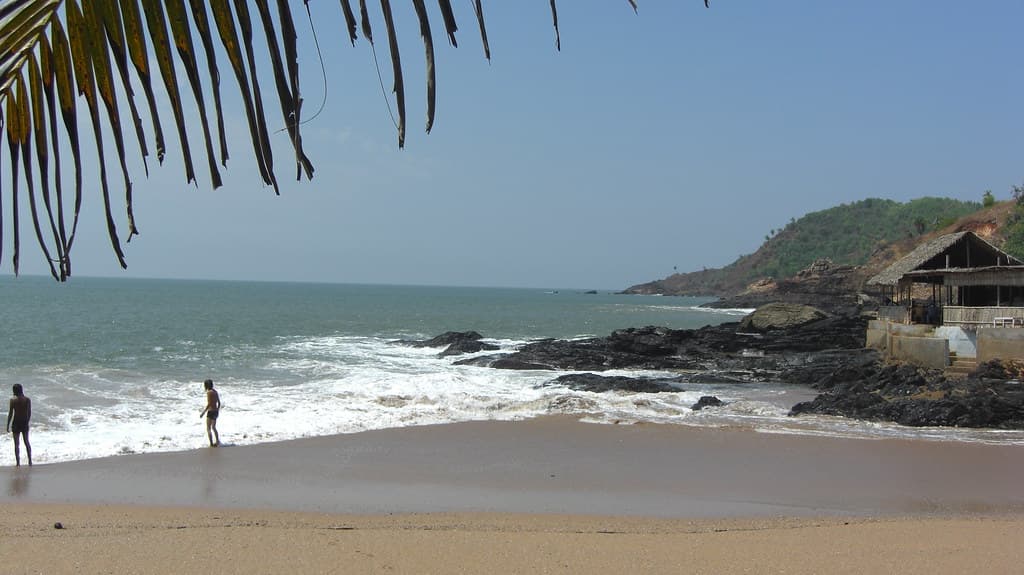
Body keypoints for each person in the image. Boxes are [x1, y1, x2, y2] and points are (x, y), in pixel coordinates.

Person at [6, 384, 32, 466]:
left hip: (16, 423)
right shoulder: (27, 400)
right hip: (24, 422)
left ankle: (18, 463)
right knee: (26, 442)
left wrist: (7, 425)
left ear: (14, 391)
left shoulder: (13, 400)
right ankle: (30, 461)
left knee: (16, 444)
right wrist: (27, 421)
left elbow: (10, 414)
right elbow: (29, 413)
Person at [198, 379, 221, 447]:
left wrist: (203, 412)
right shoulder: (215, 392)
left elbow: (209, 404)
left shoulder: (209, 392)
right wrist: (217, 410)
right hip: (216, 411)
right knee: (214, 427)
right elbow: (219, 403)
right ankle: (217, 441)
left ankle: (211, 444)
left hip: (211, 411)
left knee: (208, 428)